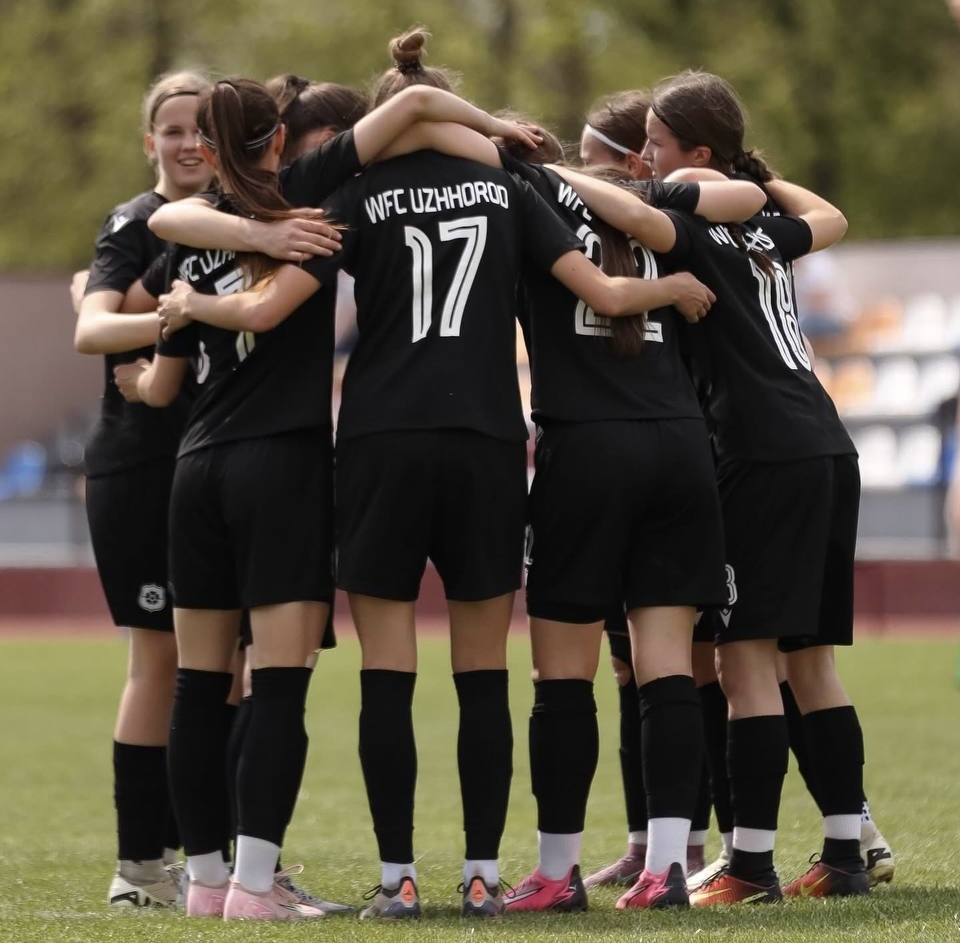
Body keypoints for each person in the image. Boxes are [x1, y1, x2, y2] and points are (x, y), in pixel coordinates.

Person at [148, 35, 715, 920]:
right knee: (482, 672)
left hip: (380, 440)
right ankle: (483, 873)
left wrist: (200, 296)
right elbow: (602, 294)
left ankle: (397, 877)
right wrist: (671, 284)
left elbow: (223, 259)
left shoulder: (349, 193)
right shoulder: (509, 188)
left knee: (388, 673)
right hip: (487, 439)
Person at [119, 68, 562, 921]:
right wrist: (502, 134)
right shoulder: (329, 202)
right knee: (438, 678)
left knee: (215, 683)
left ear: (205, 146)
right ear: (284, 140)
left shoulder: (303, 207)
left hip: (264, 454)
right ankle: (462, 874)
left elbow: (167, 229)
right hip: (399, 449)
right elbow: (593, 280)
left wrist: (189, 303)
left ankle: (259, 880)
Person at [493, 139, 766, 913]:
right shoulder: (652, 211)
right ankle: (668, 868)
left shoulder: (533, 205)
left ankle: (557, 873)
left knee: (561, 676)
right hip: (679, 447)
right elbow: (749, 197)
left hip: (586, 448)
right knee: (667, 669)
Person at [626, 68, 876, 903]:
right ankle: (844, 852)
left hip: (759, 452)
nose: (644, 158)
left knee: (743, 663)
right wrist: (755, 175)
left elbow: (631, 212)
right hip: (825, 442)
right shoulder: (765, 228)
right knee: (812, 662)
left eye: (657, 143)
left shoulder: (688, 227)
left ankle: (751, 865)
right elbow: (830, 216)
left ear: (698, 155)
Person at [72, 69, 213, 909]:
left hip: (219, 463)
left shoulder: (234, 220)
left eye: (203, 128)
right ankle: (140, 867)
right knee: (159, 656)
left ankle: (215, 863)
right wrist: (174, 315)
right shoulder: (134, 222)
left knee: (227, 666)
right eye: (174, 129)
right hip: (142, 466)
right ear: (148, 139)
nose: (190, 142)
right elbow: (92, 327)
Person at [572, 88, 716, 892]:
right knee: (633, 668)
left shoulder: (672, 219)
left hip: (681, 452)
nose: (579, 168)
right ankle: (648, 842)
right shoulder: (594, 224)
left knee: (699, 667)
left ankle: (695, 842)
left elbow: (745, 197)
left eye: (593, 155)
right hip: (642, 458)